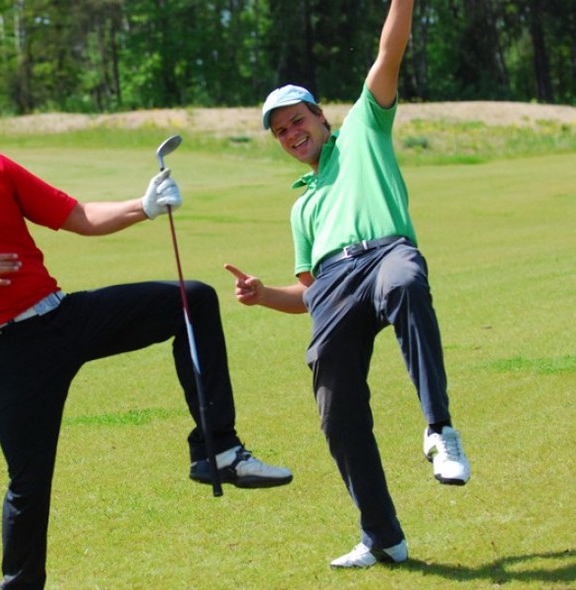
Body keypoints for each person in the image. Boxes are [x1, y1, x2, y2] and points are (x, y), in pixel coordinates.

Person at [0, 90, 293, 589]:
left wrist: (146, 205)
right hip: (6, 355)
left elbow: (78, 216)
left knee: (192, 300)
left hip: (63, 316)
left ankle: (216, 450)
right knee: (29, 485)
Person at [225, 0, 469, 568]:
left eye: (298, 120)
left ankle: (439, 431)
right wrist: (264, 296)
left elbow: (390, 49)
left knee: (407, 281)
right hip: (334, 282)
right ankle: (382, 535)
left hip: (385, 253)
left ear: (321, 118)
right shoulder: (301, 208)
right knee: (336, 408)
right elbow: (311, 296)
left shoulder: (365, 122)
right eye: (281, 131)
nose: (291, 133)